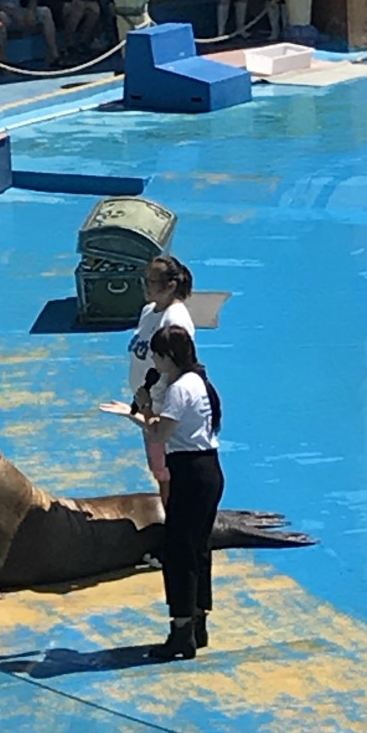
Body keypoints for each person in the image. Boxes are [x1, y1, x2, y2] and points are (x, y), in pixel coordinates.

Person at [101, 324, 224, 662]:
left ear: (168, 357)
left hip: (189, 472)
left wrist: (140, 409)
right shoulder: (198, 381)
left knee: (179, 550)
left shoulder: (179, 389)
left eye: (156, 355)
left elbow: (159, 434)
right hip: (208, 468)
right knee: (199, 547)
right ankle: (198, 623)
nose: (154, 361)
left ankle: (180, 631)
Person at [125, 255, 195, 507]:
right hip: (147, 405)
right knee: (159, 469)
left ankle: (175, 528)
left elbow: (176, 369)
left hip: (162, 409)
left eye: (151, 281)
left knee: (168, 474)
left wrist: (157, 409)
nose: (145, 286)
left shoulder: (174, 319)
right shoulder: (148, 312)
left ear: (170, 285)